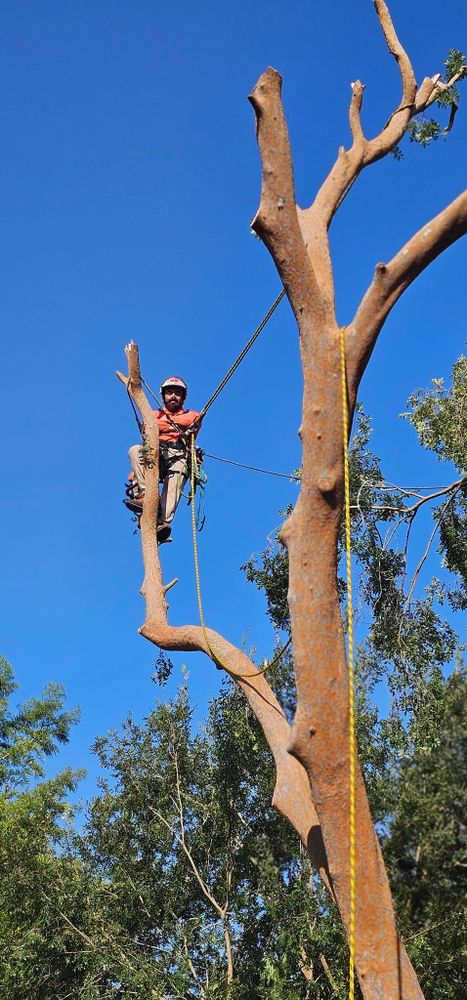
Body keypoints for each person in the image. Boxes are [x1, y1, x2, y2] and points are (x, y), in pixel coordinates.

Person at [127, 376, 201, 541]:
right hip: (155, 452)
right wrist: (172, 425)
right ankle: (144, 496)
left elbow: (191, 421)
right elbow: (147, 427)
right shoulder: (152, 413)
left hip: (178, 454)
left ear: (183, 397)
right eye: (169, 393)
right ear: (163, 396)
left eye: (177, 393)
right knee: (135, 450)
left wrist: (161, 425)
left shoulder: (193, 415)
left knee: (179, 471)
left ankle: (162, 522)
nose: (173, 396)